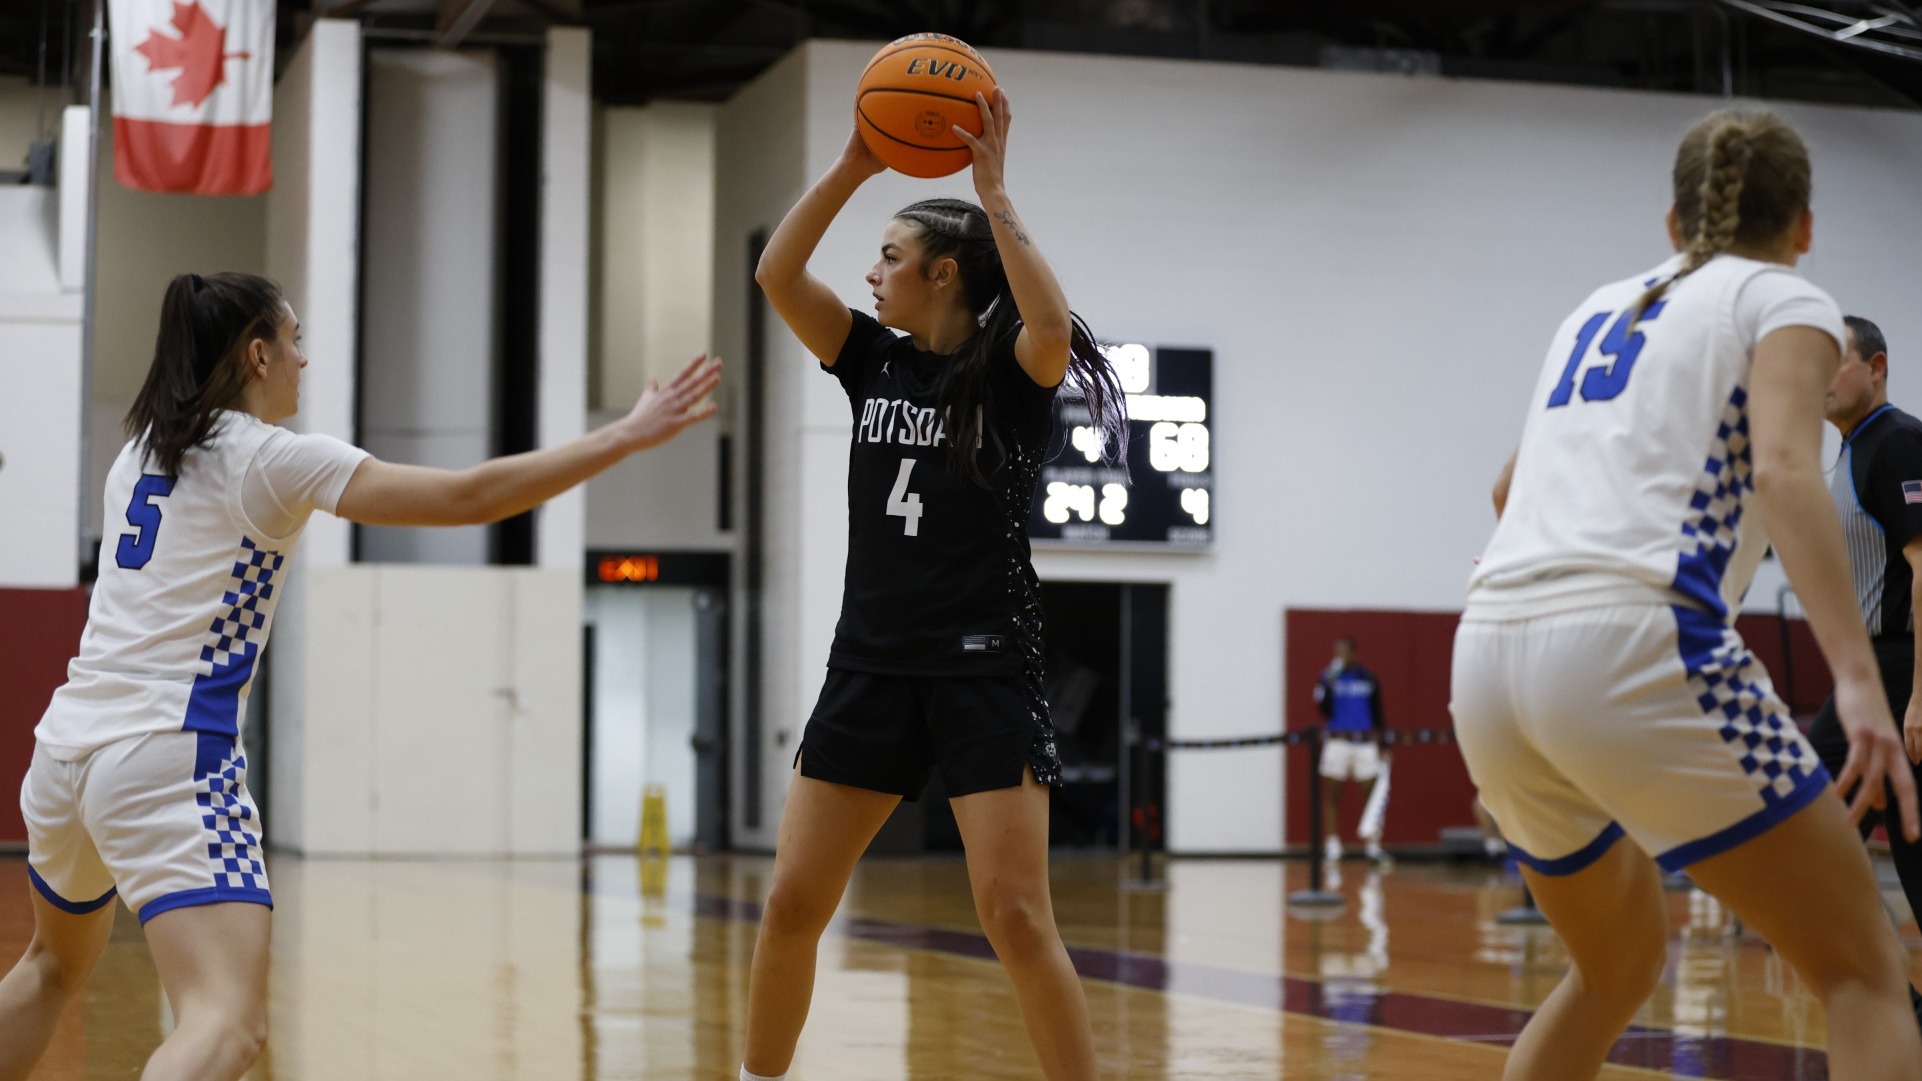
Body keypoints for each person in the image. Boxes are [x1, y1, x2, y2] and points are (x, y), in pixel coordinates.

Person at [0, 271, 721, 1081]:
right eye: (296, 340)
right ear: (258, 352)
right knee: (227, 1024)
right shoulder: (269, 459)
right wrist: (621, 437)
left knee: (48, 969)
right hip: (168, 756)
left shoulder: (138, 452)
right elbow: (470, 497)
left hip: (62, 755)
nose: (306, 360)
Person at [1451, 109, 1922, 1081]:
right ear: (1802, 227)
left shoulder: (1595, 308)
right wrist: (1859, 684)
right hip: (1638, 638)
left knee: (1610, 968)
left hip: (1487, 651)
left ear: (1673, 222)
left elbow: (1506, 491)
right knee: (1865, 972)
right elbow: (1784, 476)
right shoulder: (1786, 301)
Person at [739, 88, 1128, 1081]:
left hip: (982, 668)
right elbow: (775, 272)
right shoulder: (868, 360)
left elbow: (1045, 312)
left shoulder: (1012, 375)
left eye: (888, 257)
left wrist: (991, 188)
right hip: (867, 664)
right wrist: (854, 166)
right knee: (790, 903)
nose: (869, 274)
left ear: (942, 273)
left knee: (1013, 915)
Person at [1807, 314, 1922, 1027]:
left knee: (1812, 838)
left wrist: (1920, 697)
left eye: (1838, 363)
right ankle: (1902, 1008)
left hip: (1900, 671)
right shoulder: (1847, 453)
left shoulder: (1897, 440)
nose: (1823, 379)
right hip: (1872, 676)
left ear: (1876, 366)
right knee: (1837, 847)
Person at [1313, 636, 1387, 862]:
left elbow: (1378, 714)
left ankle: (1373, 844)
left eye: (1345, 652)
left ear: (1355, 654)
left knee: (1371, 794)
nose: (1340, 657)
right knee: (1333, 793)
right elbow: (1323, 709)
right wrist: (1328, 682)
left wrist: (1384, 744)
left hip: (1364, 743)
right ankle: (1333, 844)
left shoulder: (1368, 679)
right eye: (1337, 652)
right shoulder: (1328, 678)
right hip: (1338, 742)